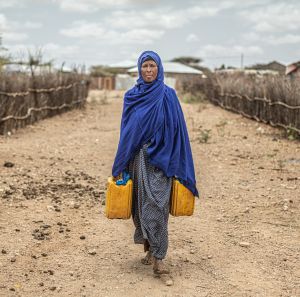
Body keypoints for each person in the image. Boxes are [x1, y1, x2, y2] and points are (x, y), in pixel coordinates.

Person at [112, 50, 199, 275]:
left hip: (162, 159)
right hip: (138, 158)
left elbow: (178, 129)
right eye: (145, 66)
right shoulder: (131, 96)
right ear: (139, 69)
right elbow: (127, 132)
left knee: (158, 206)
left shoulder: (168, 95)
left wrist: (178, 162)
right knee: (140, 207)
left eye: (152, 66)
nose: (149, 70)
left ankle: (160, 257)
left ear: (159, 69)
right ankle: (149, 248)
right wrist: (121, 163)